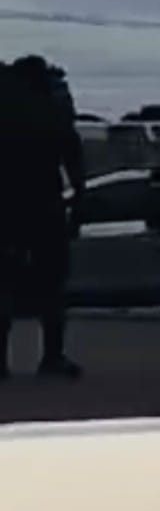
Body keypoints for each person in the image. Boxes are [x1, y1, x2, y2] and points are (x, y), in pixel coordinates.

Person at [0, 56, 85, 379]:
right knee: (52, 287)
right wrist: (79, 203)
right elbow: (73, 159)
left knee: (4, 286)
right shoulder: (53, 111)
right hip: (44, 207)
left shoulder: (8, 109)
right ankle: (51, 356)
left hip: (7, 209)